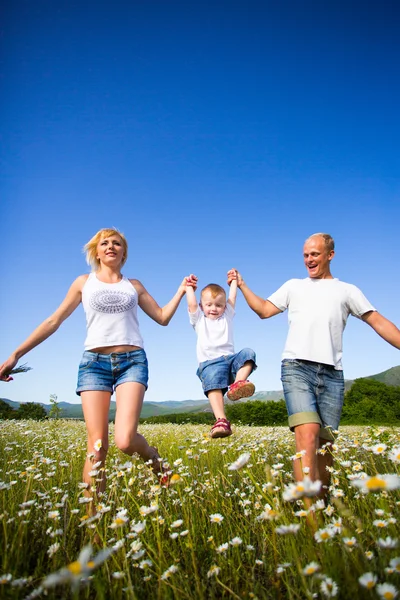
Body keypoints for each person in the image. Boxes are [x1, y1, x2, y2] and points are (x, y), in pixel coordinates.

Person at [0, 227, 195, 503]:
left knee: (125, 441)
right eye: (105, 243)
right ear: (97, 251)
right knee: (96, 447)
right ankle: (94, 524)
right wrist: (16, 354)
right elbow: (53, 321)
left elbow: (162, 317)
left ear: (124, 252)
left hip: (132, 362)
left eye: (117, 243)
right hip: (94, 364)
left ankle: (154, 459)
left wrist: (180, 290)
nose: (111, 246)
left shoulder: (134, 286)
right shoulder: (83, 282)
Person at [228, 233, 400, 496]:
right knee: (307, 436)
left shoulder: (347, 290)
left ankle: (323, 504)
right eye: (306, 255)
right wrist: (242, 285)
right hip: (296, 369)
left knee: (324, 450)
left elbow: (377, 321)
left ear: (330, 255)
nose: (309, 259)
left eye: (315, 254)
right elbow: (263, 310)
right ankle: (310, 522)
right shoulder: (293, 286)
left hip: (332, 376)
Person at [186, 274, 257, 438]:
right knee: (213, 381)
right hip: (210, 363)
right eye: (209, 304)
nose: (213, 308)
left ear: (225, 307)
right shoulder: (199, 320)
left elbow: (232, 297)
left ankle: (238, 383)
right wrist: (189, 287)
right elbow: (191, 303)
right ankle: (221, 420)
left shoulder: (227, 316)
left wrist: (234, 282)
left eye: (219, 305)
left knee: (248, 353)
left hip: (231, 360)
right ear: (201, 306)